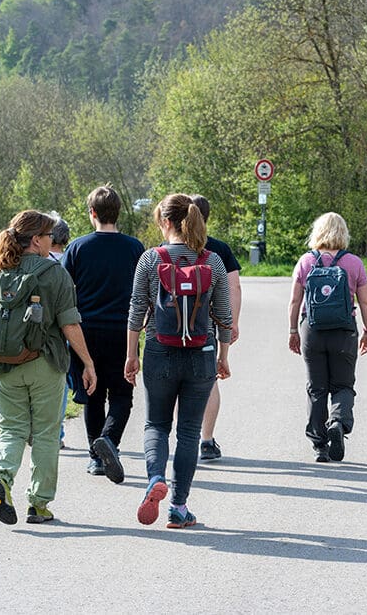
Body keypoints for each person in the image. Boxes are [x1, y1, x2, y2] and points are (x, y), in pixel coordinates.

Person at [0, 210, 97, 525]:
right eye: (49, 236)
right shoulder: (54, 272)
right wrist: (87, 362)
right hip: (44, 363)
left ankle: (2, 478)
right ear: (36, 239)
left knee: (11, 428)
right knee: (46, 433)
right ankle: (39, 504)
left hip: (3, 364)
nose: (51, 241)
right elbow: (70, 324)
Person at [125, 193, 232, 529]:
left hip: (159, 350)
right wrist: (223, 356)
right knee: (188, 431)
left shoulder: (149, 259)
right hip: (201, 353)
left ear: (166, 222)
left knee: (156, 424)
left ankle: (156, 477)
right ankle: (179, 507)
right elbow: (224, 315)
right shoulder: (212, 262)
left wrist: (132, 355)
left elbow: (135, 312)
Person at [62, 186, 145, 483]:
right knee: (123, 394)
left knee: (93, 393)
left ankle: (96, 458)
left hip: (86, 332)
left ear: (92, 213)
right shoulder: (135, 248)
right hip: (124, 331)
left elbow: (63, 291)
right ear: (118, 212)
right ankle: (110, 440)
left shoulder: (77, 248)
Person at [287, 212, 367, 462]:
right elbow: (365, 303)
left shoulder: (305, 262)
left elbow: (295, 301)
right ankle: (337, 421)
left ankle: (319, 445)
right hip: (344, 331)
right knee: (343, 385)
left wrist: (293, 331)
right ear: (343, 233)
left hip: (312, 330)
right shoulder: (354, 263)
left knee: (316, 388)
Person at [188, 194, 241, 461]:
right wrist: (231, 322)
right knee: (208, 382)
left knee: (177, 383)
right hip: (206, 327)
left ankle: (185, 437)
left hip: (169, 328)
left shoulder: (165, 248)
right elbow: (234, 287)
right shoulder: (219, 249)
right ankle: (206, 441)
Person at [47, 213, 71, 448]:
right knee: (60, 383)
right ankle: (57, 431)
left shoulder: (39, 261)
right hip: (66, 329)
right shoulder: (71, 260)